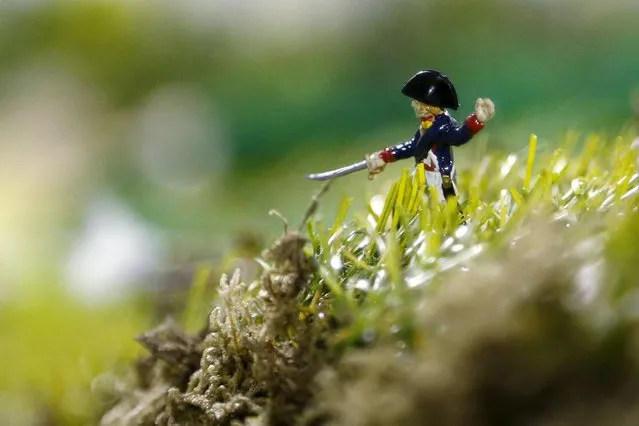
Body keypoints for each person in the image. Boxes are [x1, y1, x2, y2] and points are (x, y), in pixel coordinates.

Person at [365, 70, 495, 202]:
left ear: (427, 106)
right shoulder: (425, 126)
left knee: (446, 206)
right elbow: (413, 146)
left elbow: (458, 136)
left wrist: (477, 120)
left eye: (416, 102)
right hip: (422, 172)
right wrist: (385, 156)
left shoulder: (443, 126)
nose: (413, 105)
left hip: (439, 177)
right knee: (410, 199)